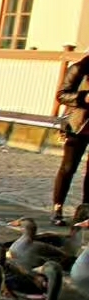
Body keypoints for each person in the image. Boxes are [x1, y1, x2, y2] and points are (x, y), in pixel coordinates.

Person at [52, 53, 89, 225]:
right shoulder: (79, 68)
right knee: (68, 168)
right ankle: (57, 209)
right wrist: (83, 98)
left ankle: (85, 213)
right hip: (77, 125)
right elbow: (61, 95)